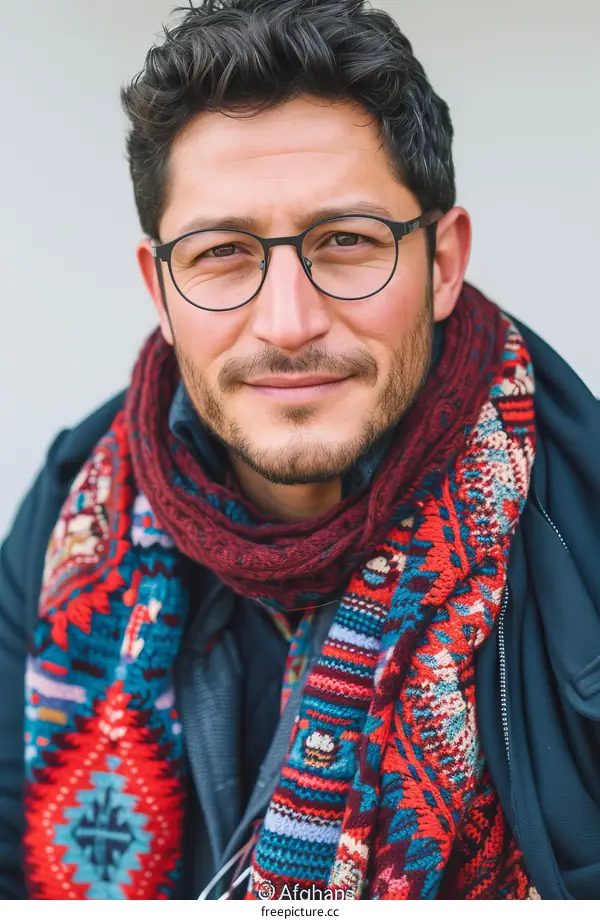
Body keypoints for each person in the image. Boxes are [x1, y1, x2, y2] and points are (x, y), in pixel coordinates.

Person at [1, 0, 599, 902]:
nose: (289, 324)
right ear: (160, 289)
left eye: (347, 242)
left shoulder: (583, 531)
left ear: (442, 262)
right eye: (222, 254)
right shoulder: (66, 519)